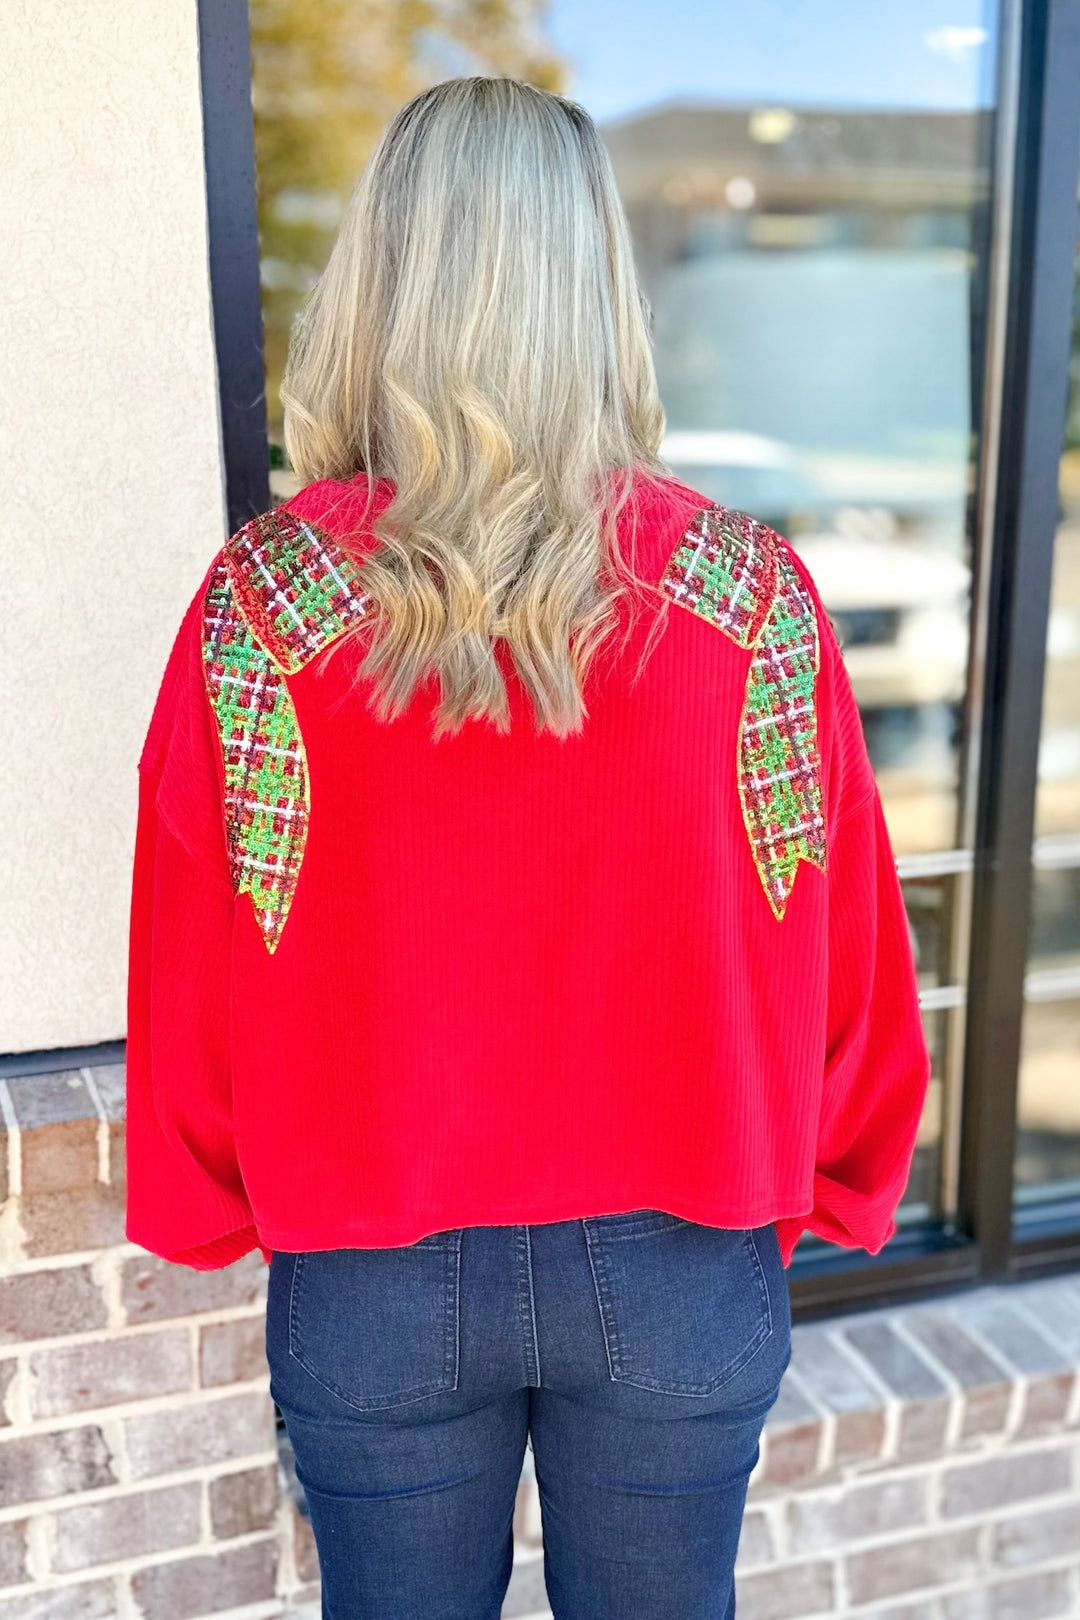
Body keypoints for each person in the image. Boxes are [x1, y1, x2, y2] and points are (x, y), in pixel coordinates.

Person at [126, 75, 930, 1620]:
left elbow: (193, 957)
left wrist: (216, 1192)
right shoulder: (749, 602)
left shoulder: (265, 607)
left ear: (381, 282)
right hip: (684, 1257)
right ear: (600, 287)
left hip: (372, 1266)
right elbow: (845, 952)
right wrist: (842, 1177)